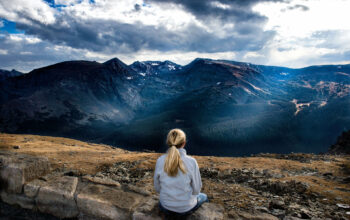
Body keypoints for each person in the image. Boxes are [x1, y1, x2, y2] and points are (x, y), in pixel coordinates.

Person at [153, 128, 208, 217]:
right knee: (204, 197)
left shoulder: (160, 161)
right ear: (184, 143)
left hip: (165, 206)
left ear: (168, 142)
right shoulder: (191, 162)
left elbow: (157, 188)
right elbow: (197, 190)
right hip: (186, 208)